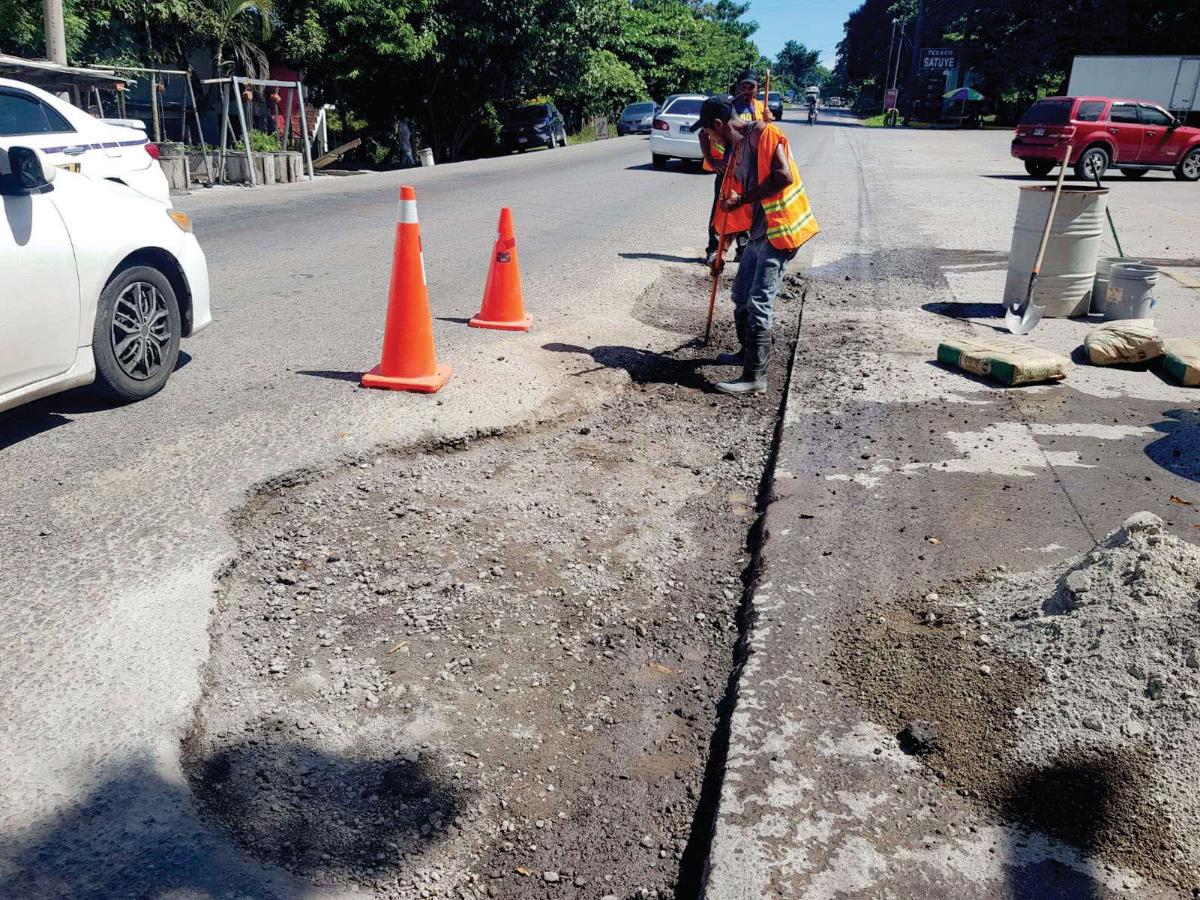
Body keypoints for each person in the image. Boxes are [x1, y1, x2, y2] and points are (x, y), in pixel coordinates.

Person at [698, 94, 820, 395]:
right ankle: (746, 353)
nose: (710, 139)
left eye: (710, 132)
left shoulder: (765, 134)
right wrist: (721, 251)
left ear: (719, 124)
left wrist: (743, 198)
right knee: (740, 295)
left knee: (758, 301)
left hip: (779, 232)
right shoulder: (735, 152)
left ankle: (755, 377)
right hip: (756, 235)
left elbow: (783, 176)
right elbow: (728, 206)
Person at [700, 74, 767, 266]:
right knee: (722, 207)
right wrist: (712, 161)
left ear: (756, 89)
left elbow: (782, 178)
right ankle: (715, 248)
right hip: (728, 167)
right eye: (743, 87)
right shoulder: (727, 107)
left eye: (750, 87)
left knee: (745, 208)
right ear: (738, 88)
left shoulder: (761, 109)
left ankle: (744, 249)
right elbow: (703, 135)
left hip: (748, 168)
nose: (746, 91)